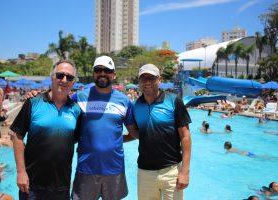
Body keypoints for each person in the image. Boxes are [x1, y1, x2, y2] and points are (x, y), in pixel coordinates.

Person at [10, 60, 81, 200]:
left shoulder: (76, 110)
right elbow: (17, 136)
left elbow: (72, 141)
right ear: (52, 77)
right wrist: (21, 172)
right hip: (31, 184)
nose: (64, 80)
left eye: (69, 77)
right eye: (60, 75)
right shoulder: (33, 103)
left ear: (73, 82)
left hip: (62, 186)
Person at [71, 55, 139, 200]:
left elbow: (134, 133)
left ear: (114, 74)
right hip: (86, 168)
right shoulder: (79, 98)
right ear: (93, 73)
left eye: (107, 70)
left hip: (114, 169)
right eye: (98, 70)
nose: (102, 73)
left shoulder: (124, 101)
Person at [133, 64, 191, 200]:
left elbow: (185, 137)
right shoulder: (135, 106)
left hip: (171, 171)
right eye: (143, 78)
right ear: (139, 81)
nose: (147, 82)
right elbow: (138, 133)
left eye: (151, 78)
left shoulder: (174, 100)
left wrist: (185, 172)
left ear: (159, 79)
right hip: (145, 172)